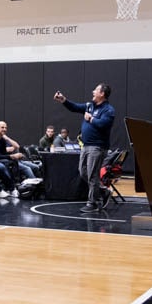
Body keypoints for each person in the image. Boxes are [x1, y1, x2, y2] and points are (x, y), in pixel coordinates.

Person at [54, 83, 116, 213]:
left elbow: (104, 124)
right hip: (86, 145)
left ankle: (92, 203)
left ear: (102, 94)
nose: (93, 92)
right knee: (83, 172)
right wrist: (63, 100)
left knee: (93, 175)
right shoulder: (89, 106)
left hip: (97, 147)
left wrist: (91, 119)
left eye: (96, 90)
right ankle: (103, 191)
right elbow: (74, 107)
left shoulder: (108, 110)